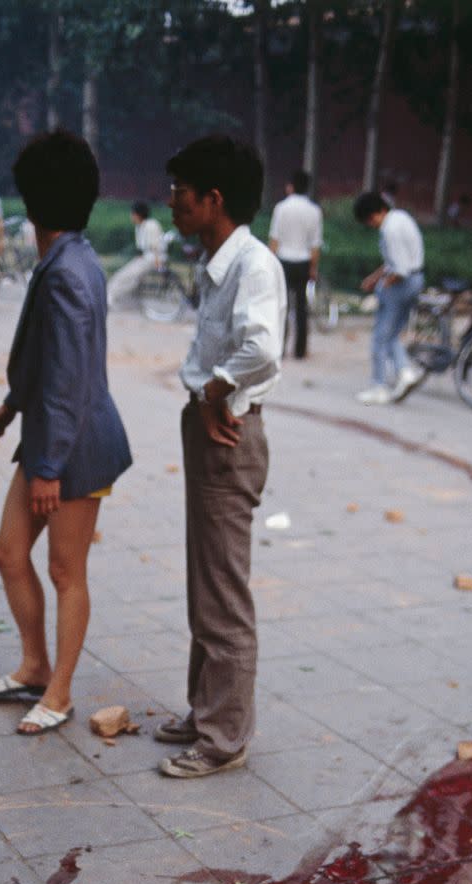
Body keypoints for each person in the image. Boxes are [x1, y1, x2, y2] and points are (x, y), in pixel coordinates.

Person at [0, 129, 131, 736]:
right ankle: (35, 666)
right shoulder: (69, 257)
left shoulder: (67, 271)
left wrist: (47, 467)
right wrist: (10, 408)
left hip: (74, 446)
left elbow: (67, 379)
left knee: (67, 570)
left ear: (32, 201)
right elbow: (47, 362)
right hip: (52, 434)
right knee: (10, 552)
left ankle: (60, 692)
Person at [154, 134, 285, 779]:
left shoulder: (252, 265)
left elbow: (262, 349)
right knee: (204, 579)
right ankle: (206, 708)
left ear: (214, 199)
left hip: (228, 434)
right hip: (209, 427)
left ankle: (224, 736)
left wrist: (213, 390)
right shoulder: (217, 260)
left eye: (180, 191)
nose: (171, 201)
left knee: (223, 588)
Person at [353, 190, 425, 405]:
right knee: (392, 334)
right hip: (416, 279)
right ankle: (405, 372)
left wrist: (383, 286)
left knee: (380, 337)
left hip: (401, 285)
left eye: (371, 220)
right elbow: (395, 261)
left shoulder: (389, 229)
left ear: (379, 212)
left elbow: (399, 269)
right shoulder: (402, 218)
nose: (372, 225)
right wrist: (375, 278)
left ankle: (380, 385)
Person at [268, 168, 322, 359]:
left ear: (290, 187)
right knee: (301, 307)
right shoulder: (314, 211)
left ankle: (279, 348)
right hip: (303, 262)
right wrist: (313, 268)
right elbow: (315, 245)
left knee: (281, 306)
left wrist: (269, 264)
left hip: (283, 261)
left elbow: (274, 240)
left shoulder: (281, 208)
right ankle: (300, 350)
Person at [106, 200, 164, 309]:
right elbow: (143, 248)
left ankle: (110, 298)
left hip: (153, 259)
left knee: (127, 276)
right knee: (122, 274)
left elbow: (156, 247)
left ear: (138, 214)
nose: (131, 216)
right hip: (145, 258)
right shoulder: (139, 227)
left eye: (133, 214)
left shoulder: (151, 225)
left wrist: (158, 263)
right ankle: (111, 297)